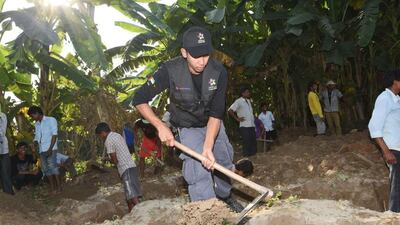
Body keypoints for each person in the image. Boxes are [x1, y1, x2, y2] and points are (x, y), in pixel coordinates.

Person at [132, 26, 243, 212]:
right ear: (184, 52)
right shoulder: (170, 70)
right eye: (196, 55)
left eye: (206, 55)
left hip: (212, 123)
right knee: (198, 169)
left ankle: (224, 197)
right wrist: (160, 126)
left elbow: (216, 113)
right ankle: (207, 213)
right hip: (187, 127)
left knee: (223, 162)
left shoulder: (219, 72)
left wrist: (208, 147)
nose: (202, 61)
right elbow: (139, 99)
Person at [368, 70, 400, 212]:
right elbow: (374, 127)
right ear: (395, 82)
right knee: (397, 187)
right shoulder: (384, 98)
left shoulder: (396, 99)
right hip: (393, 150)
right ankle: (394, 215)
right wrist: (386, 151)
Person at [96, 122, 141, 212]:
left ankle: (141, 212)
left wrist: (106, 159)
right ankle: (131, 212)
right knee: (129, 192)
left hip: (125, 168)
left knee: (131, 193)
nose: (100, 137)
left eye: (99, 135)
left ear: (103, 133)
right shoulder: (116, 135)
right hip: (131, 165)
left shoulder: (108, 140)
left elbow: (115, 160)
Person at [28, 106, 61, 194]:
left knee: (53, 167)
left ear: (37, 113)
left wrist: (50, 149)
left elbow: (54, 135)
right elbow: (37, 137)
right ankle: (53, 187)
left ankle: (59, 187)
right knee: (46, 169)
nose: (32, 118)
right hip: (42, 150)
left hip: (51, 148)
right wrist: (34, 143)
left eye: (32, 116)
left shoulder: (51, 120)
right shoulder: (37, 124)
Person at [228, 87, 257, 156]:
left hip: (251, 125)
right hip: (244, 125)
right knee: (246, 141)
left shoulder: (249, 101)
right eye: (247, 92)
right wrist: (237, 119)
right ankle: (246, 156)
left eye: (248, 92)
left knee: (253, 140)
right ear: (242, 93)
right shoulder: (238, 101)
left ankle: (254, 155)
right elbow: (230, 110)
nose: (249, 93)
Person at [0, 109, 14, 195]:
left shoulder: (2, 116)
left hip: (3, 149)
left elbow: (2, 132)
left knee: (5, 171)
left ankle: (8, 192)